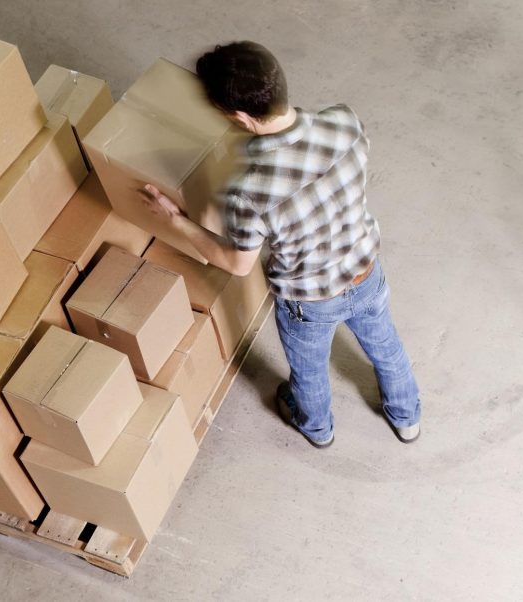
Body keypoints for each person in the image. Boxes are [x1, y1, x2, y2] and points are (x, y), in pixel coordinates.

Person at [139, 41, 421, 448]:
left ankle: (318, 429)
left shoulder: (250, 192)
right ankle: (407, 417)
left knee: (308, 374)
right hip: (366, 274)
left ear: (239, 117)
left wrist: (176, 221)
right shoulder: (344, 121)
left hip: (309, 302)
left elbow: (236, 264)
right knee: (386, 346)